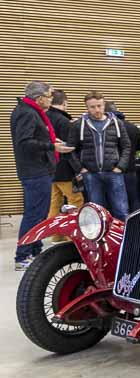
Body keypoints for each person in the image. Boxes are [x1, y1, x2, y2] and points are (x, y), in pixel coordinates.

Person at [11, 81, 73, 270]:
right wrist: (51, 146)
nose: (51, 99)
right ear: (39, 98)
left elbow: (33, 138)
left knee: (39, 213)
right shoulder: (27, 113)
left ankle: (35, 249)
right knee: (33, 214)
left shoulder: (29, 111)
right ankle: (22, 256)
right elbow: (25, 143)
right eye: (49, 95)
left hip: (40, 169)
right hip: (35, 171)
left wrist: (52, 140)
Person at [68, 91, 131, 220]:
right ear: (87, 107)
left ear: (104, 105)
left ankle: (122, 238)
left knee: (121, 210)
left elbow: (126, 146)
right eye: (92, 107)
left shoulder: (117, 123)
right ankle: (99, 239)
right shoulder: (78, 125)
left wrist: (120, 166)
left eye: (99, 106)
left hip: (114, 172)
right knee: (96, 212)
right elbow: (70, 149)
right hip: (91, 174)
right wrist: (80, 169)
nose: (97, 110)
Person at [46, 89, 83, 243]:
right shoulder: (64, 122)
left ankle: (55, 235)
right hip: (64, 169)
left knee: (55, 201)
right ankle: (74, 236)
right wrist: (78, 169)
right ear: (64, 103)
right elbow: (70, 149)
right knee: (76, 201)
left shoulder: (44, 117)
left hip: (49, 168)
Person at [105, 101, 140, 211]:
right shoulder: (132, 127)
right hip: (130, 169)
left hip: (111, 170)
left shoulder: (105, 128)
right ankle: (136, 223)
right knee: (133, 198)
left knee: (112, 199)